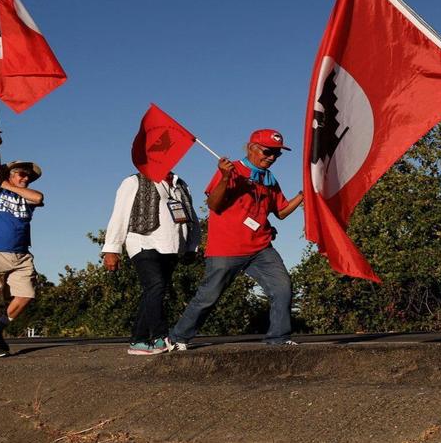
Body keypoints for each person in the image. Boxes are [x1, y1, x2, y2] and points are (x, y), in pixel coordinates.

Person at [167, 128, 304, 350]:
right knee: (209, 296)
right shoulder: (232, 170)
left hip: (260, 247)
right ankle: (178, 338)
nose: (271, 158)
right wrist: (225, 177)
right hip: (227, 248)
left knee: (282, 287)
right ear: (252, 148)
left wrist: (302, 195)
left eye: (277, 154)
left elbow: (281, 212)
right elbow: (213, 204)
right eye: (268, 152)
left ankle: (279, 339)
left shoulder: (270, 180)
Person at [101, 169, 200, 355]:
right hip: (142, 241)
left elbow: (192, 217)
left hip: (172, 245)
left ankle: (138, 341)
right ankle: (160, 337)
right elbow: (119, 215)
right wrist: (111, 249)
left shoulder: (181, 184)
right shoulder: (134, 181)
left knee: (154, 291)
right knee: (156, 284)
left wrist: (192, 246)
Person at [0, 128, 44, 358]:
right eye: (21, 174)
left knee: (26, 295)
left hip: (20, 254)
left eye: (27, 176)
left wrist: (9, 186)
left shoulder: (26, 195)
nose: (25, 178)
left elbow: (39, 197)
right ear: (9, 174)